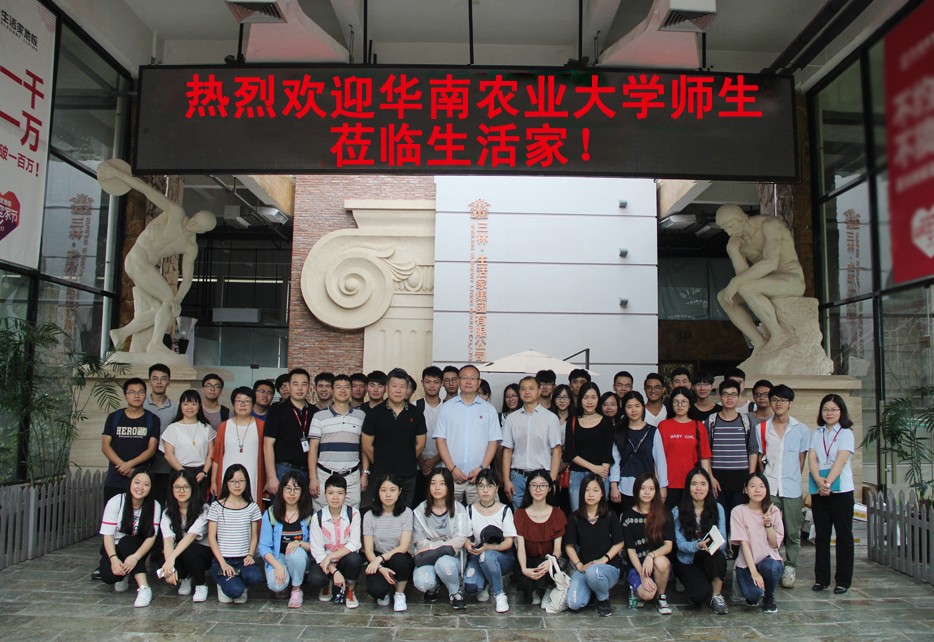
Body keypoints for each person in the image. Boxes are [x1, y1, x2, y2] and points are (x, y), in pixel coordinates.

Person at [99, 158, 216, 355]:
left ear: (203, 231)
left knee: (159, 309)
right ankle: (155, 344)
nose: (194, 224)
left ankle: (121, 333)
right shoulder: (176, 213)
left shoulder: (190, 246)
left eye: (200, 226)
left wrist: (177, 300)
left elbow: (187, 278)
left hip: (146, 268)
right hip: (137, 259)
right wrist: (116, 174)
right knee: (167, 300)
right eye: (196, 220)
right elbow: (146, 190)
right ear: (195, 214)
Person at [715, 204, 807, 355]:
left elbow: (771, 263)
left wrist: (736, 282)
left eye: (731, 226)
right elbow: (744, 275)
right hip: (766, 284)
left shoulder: (769, 225)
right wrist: (734, 252)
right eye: (725, 229)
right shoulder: (738, 243)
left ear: (741, 218)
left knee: (746, 288)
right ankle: (758, 341)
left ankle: (778, 334)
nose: (730, 232)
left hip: (791, 280)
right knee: (724, 297)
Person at [758, 384, 809, 589]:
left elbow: (801, 459)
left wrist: (793, 478)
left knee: (793, 530)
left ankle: (791, 566)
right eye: (775, 400)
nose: (778, 403)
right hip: (770, 486)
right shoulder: (762, 429)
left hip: (792, 487)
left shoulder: (801, 429)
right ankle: (774, 562)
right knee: (769, 527)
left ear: (790, 403)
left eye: (783, 400)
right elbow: (760, 458)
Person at [809, 394, 856, 595]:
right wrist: (818, 480)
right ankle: (821, 579)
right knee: (821, 536)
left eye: (834, 410)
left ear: (841, 411)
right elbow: (812, 458)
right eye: (826, 409)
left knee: (843, 536)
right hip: (819, 490)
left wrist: (827, 482)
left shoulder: (846, 433)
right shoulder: (816, 433)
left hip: (841, 491)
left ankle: (843, 580)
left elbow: (841, 460)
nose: (829, 413)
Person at [436, 364, 502, 505]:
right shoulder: (446, 408)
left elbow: (493, 442)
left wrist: (482, 468)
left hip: (481, 477)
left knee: (484, 514)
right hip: (451, 475)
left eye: (472, 378)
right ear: (458, 381)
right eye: (464, 378)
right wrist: (452, 468)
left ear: (478, 382)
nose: (468, 382)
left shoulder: (489, 410)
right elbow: (440, 440)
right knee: (448, 514)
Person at [362, 368, 427, 508]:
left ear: (407, 389)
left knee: (405, 512)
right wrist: (381, 463)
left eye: (402, 387)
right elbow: (366, 445)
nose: (398, 390)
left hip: (407, 475)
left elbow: (421, 444)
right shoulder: (374, 414)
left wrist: (406, 459)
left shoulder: (416, 413)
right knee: (381, 512)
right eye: (394, 386)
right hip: (381, 475)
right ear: (387, 387)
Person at [564, 472, 625, 617]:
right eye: (587, 490)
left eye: (595, 490)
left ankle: (603, 599)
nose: (591, 494)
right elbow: (569, 546)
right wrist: (579, 565)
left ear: (602, 493)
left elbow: (619, 543)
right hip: (584, 568)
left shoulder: (610, 515)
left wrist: (603, 560)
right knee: (573, 603)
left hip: (608, 567)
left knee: (594, 572)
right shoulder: (575, 517)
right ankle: (594, 591)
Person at [98, 468, 161, 607]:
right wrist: (113, 559)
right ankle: (125, 573)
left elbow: (151, 537)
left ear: (151, 487)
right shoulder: (116, 501)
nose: (140, 487)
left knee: (127, 542)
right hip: (114, 547)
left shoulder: (154, 505)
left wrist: (136, 558)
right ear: (130, 483)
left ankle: (144, 588)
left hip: (137, 547)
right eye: (137, 482)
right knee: (109, 576)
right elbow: (108, 535)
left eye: (146, 484)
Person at [708, 379, 758, 547]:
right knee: (718, 518)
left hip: (740, 479)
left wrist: (750, 478)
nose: (729, 398)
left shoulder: (746, 421)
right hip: (717, 480)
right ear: (719, 396)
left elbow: (752, 451)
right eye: (726, 394)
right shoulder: (711, 421)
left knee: (738, 519)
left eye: (733, 395)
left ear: (739, 396)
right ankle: (720, 552)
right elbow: (705, 453)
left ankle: (738, 555)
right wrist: (710, 477)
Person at [412, 468, 471, 609]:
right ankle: (434, 585)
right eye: (433, 483)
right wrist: (443, 545)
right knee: (422, 583)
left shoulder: (459, 509)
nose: (437, 487)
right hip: (428, 557)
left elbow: (460, 539)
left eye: (442, 483)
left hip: (451, 558)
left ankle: (454, 592)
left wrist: (434, 545)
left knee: (443, 563)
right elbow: (419, 540)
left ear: (449, 486)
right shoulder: (420, 510)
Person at [672, 467, 728, 614]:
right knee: (698, 596)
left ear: (709, 487)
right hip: (688, 559)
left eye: (703, 484)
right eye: (694, 484)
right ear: (688, 487)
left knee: (719, 557)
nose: (698, 488)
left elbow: (723, 540)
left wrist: (713, 545)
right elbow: (680, 544)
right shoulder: (677, 511)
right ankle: (691, 581)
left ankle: (717, 595)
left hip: (710, 555)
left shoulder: (718, 508)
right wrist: (697, 545)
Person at [502, 376, 562, 509]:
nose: (527, 392)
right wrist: (506, 480)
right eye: (523, 389)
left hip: (541, 477)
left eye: (531, 388)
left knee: (541, 515)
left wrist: (551, 480)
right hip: (517, 477)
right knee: (519, 516)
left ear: (539, 391)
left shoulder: (550, 418)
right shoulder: (511, 419)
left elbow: (557, 451)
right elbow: (507, 450)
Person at [308, 373, 367, 509]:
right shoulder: (319, 416)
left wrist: (364, 474)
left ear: (351, 390)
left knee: (351, 516)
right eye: (338, 387)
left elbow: (364, 448)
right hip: (324, 475)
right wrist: (313, 478)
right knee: (322, 516)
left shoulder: (361, 416)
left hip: (352, 476)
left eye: (347, 387)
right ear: (332, 390)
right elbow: (313, 449)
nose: (343, 390)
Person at [208, 464, 263, 604]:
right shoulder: (216, 506)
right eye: (233, 481)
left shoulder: (252, 507)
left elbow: (254, 536)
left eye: (241, 481)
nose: (237, 485)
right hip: (222, 560)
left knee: (255, 576)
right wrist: (223, 563)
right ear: (226, 483)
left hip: (243, 560)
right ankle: (225, 584)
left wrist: (250, 555)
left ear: (246, 482)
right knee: (235, 591)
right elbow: (211, 537)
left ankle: (239, 584)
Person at [259, 471, 314, 608]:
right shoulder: (270, 514)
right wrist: (277, 566)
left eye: (296, 489)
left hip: (299, 558)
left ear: (302, 492)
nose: (292, 493)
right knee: (277, 585)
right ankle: (286, 581)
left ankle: (296, 590)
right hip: (278, 557)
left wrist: (299, 543)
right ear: (281, 490)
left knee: (296, 554)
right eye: (288, 489)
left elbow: (316, 546)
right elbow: (264, 547)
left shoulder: (309, 515)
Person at [731, 472, 784, 613]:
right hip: (747, 564)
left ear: (766, 489)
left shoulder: (773, 510)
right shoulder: (738, 511)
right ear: (746, 489)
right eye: (753, 486)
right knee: (752, 596)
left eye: (761, 486)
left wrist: (768, 524)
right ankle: (756, 589)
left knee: (770, 567)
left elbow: (775, 545)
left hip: (769, 561)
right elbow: (743, 544)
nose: (757, 490)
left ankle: (769, 596)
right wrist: (754, 572)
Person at [464, 469, 516, 613]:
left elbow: (509, 542)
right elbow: (467, 538)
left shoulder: (505, 510)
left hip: (501, 557)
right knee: (471, 587)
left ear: (496, 489)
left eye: (490, 486)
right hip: (477, 555)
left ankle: (499, 594)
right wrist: (468, 545)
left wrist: (488, 547)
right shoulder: (470, 510)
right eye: (481, 486)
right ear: (476, 489)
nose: (485, 490)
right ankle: (487, 581)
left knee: (488, 556)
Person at [309, 474, 364, 609]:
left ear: (345, 495)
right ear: (325, 494)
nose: (335, 497)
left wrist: (332, 556)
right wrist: (333, 570)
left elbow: (354, 544)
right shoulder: (317, 517)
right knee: (315, 579)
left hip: (344, 560)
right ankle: (326, 584)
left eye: (340, 493)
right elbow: (317, 550)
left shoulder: (353, 514)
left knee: (355, 559)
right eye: (331, 493)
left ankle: (350, 590)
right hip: (324, 562)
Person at [622, 473, 674, 615]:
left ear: (656, 491)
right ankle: (636, 590)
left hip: (656, 564)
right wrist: (642, 574)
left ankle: (661, 597)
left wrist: (651, 556)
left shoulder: (664, 513)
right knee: (647, 594)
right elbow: (631, 550)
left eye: (651, 489)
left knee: (661, 561)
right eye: (643, 488)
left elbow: (668, 545)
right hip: (637, 565)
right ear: (636, 489)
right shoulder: (628, 516)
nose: (647, 492)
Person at [101, 378, 159, 502]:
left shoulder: (153, 419)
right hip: (115, 479)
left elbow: (151, 450)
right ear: (125, 395)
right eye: (132, 392)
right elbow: (105, 446)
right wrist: (123, 467)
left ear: (145, 395)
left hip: (141, 480)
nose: (136, 396)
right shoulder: (114, 417)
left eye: (140, 392)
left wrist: (129, 465)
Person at [159, 469, 213, 603]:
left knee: (189, 550)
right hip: (181, 550)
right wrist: (169, 566)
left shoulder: (204, 509)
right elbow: (168, 540)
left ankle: (201, 584)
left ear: (193, 488)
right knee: (165, 555)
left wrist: (171, 559)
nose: (181, 491)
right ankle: (185, 577)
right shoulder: (167, 512)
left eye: (186, 487)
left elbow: (190, 536)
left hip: (203, 553)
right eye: (177, 487)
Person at [363, 474, 415, 611]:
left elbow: (403, 547)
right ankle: (384, 592)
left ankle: (399, 594)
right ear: (378, 492)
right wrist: (380, 567)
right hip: (377, 557)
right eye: (383, 490)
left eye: (392, 490)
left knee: (399, 560)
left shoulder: (406, 513)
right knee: (376, 589)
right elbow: (368, 550)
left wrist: (380, 559)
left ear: (399, 491)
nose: (388, 495)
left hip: (398, 555)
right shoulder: (369, 516)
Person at [610, 391, 668, 514]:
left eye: (637, 406)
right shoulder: (619, 433)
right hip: (625, 487)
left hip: (648, 488)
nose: (633, 410)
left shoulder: (653, 432)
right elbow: (615, 461)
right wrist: (614, 485)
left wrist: (663, 487)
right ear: (624, 409)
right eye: (629, 407)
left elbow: (660, 462)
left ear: (643, 407)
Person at [514, 470, 566, 605]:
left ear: (549, 488)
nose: (538, 489)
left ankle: (547, 589)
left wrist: (550, 562)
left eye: (542, 485)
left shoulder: (557, 514)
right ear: (528, 488)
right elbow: (520, 548)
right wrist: (524, 569)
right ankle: (533, 590)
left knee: (548, 574)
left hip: (549, 560)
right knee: (525, 581)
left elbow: (557, 550)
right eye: (534, 485)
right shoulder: (520, 514)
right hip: (528, 560)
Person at [658, 387, 712, 509]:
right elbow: (658, 458)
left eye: (684, 402)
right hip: (669, 483)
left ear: (690, 404)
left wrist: (706, 482)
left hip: (692, 484)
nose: (680, 405)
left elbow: (704, 457)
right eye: (676, 402)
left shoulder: (698, 426)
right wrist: (660, 484)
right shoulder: (663, 426)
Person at [564, 382, 614, 513]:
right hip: (577, 475)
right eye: (585, 397)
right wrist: (593, 468)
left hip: (600, 475)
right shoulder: (572, 421)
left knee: (599, 515)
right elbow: (570, 453)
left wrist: (602, 472)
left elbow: (608, 452)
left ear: (598, 399)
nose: (589, 402)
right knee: (578, 515)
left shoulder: (606, 422)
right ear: (580, 399)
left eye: (593, 397)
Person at [264, 368, 313, 496]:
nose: (300, 388)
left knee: (304, 507)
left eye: (304, 384)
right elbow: (267, 444)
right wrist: (271, 477)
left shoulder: (314, 411)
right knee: (280, 507)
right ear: (289, 386)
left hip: (307, 471)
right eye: (295, 384)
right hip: (283, 469)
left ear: (309, 386)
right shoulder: (277, 410)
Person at [212, 386, 265, 503]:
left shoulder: (261, 426)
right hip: (227, 475)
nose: (243, 404)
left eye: (247, 401)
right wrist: (213, 481)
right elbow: (216, 457)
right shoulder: (224, 426)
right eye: (239, 401)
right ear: (233, 404)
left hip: (253, 475)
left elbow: (267, 455)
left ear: (253, 404)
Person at [160, 389, 215, 499]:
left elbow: (211, 454)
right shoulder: (173, 428)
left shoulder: (206, 427)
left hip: (201, 473)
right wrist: (183, 473)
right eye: (186, 404)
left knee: (199, 504)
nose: (190, 407)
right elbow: (168, 455)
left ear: (199, 406)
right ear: (180, 406)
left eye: (194, 404)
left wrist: (204, 472)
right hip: (179, 471)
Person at [144, 363, 177, 509]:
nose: (159, 382)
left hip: (165, 465)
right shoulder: (141, 405)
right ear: (149, 380)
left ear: (169, 381)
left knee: (162, 503)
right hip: (143, 463)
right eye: (155, 378)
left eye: (163, 378)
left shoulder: (176, 408)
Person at [415, 366, 445, 502]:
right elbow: (409, 437)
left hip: (442, 465)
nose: (432, 386)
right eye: (428, 382)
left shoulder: (448, 408)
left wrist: (435, 460)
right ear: (422, 383)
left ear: (442, 383)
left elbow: (452, 439)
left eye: (436, 382)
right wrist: (422, 461)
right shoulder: (414, 406)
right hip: (417, 466)